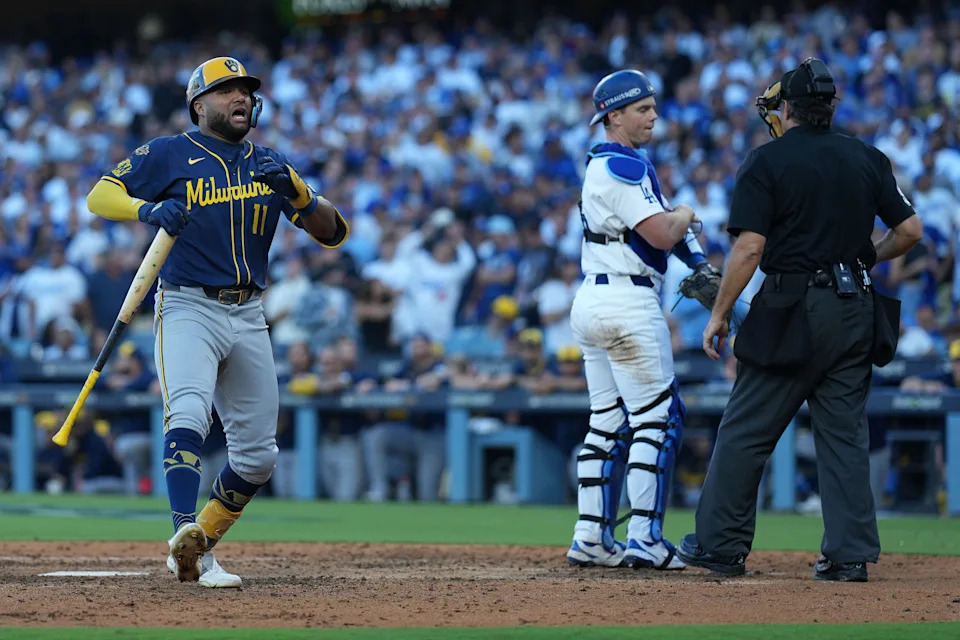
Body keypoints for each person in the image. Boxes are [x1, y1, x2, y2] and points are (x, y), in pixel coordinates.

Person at [85, 56, 348, 588]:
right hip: (187, 304)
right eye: (227, 90)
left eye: (246, 90)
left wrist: (300, 193)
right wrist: (146, 210)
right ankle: (183, 527)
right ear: (198, 104)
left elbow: (334, 232)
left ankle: (198, 543)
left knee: (258, 455)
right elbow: (100, 194)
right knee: (187, 411)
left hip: (250, 312)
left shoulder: (268, 163)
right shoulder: (169, 153)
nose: (240, 98)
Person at [679, 58, 922, 581]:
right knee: (843, 436)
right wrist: (862, 260)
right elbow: (910, 232)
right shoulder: (867, 157)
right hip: (855, 307)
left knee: (746, 430)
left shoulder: (766, 161)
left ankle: (720, 547)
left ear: (786, 108)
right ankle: (849, 556)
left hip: (792, 307)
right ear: (831, 106)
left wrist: (719, 312)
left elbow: (749, 248)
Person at [566, 69, 708, 571]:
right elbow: (664, 231)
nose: (653, 116)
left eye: (652, 107)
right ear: (614, 116)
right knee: (658, 417)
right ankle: (644, 535)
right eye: (642, 109)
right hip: (626, 303)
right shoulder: (620, 167)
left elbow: (663, 228)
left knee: (606, 421)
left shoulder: (621, 163)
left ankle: (590, 536)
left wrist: (699, 263)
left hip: (594, 299)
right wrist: (689, 211)